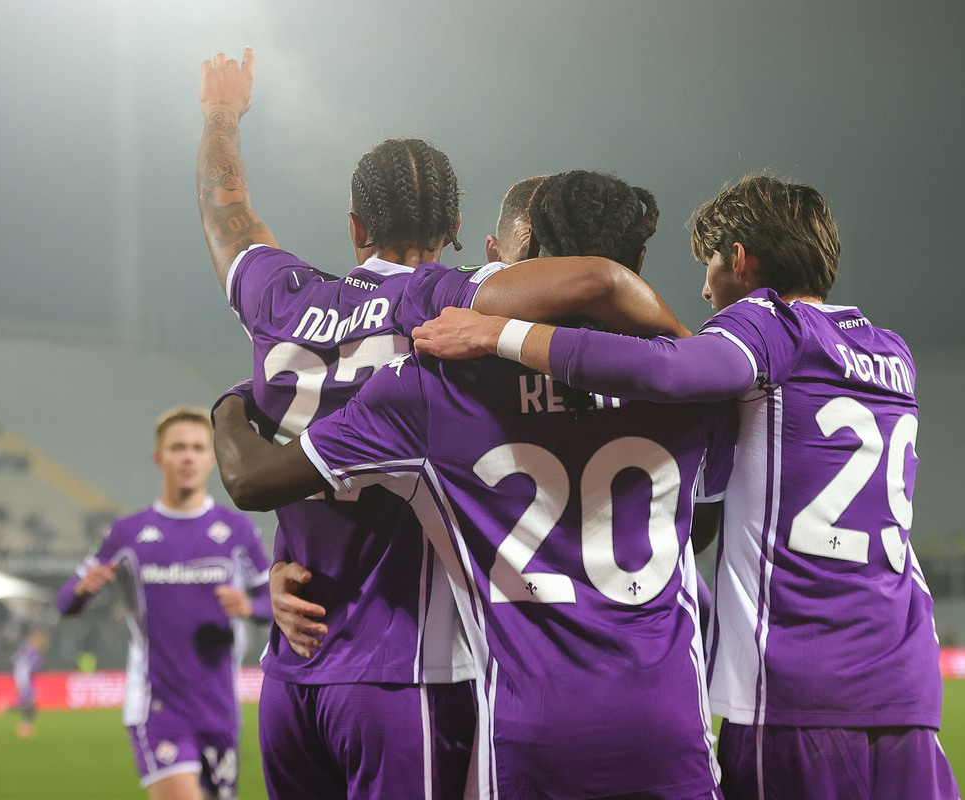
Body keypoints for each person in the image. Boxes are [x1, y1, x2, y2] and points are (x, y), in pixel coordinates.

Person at [197, 49, 688, 800]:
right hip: (412, 671)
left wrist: (221, 117)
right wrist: (690, 363)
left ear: (355, 222)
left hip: (292, 668)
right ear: (462, 229)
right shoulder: (456, 301)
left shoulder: (282, 297)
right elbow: (597, 282)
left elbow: (227, 215)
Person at [413, 173, 961, 800]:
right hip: (906, 674)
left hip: (801, 679)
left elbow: (672, 370)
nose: (704, 291)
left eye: (708, 268)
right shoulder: (892, 352)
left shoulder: (768, 326)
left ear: (741, 261)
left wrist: (500, 334)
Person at [56, 407, 271, 800]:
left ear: (212, 457)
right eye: (177, 448)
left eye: (196, 448)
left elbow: (272, 603)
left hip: (220, 707)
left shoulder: (237, 531)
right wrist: (82, 589)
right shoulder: (128, 533)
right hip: (157, 705)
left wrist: (251, 607)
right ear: (159, 458)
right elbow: (65, 601)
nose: (187, 456)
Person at [12, 628, 49, 738]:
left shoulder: (27, 650)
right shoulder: (30, 652)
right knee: (28, 702)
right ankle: (24, 727)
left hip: (26, 679)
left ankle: (25, 726)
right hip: (25, 679)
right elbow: (28, 666)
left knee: (29, 703)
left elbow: (16, 661)